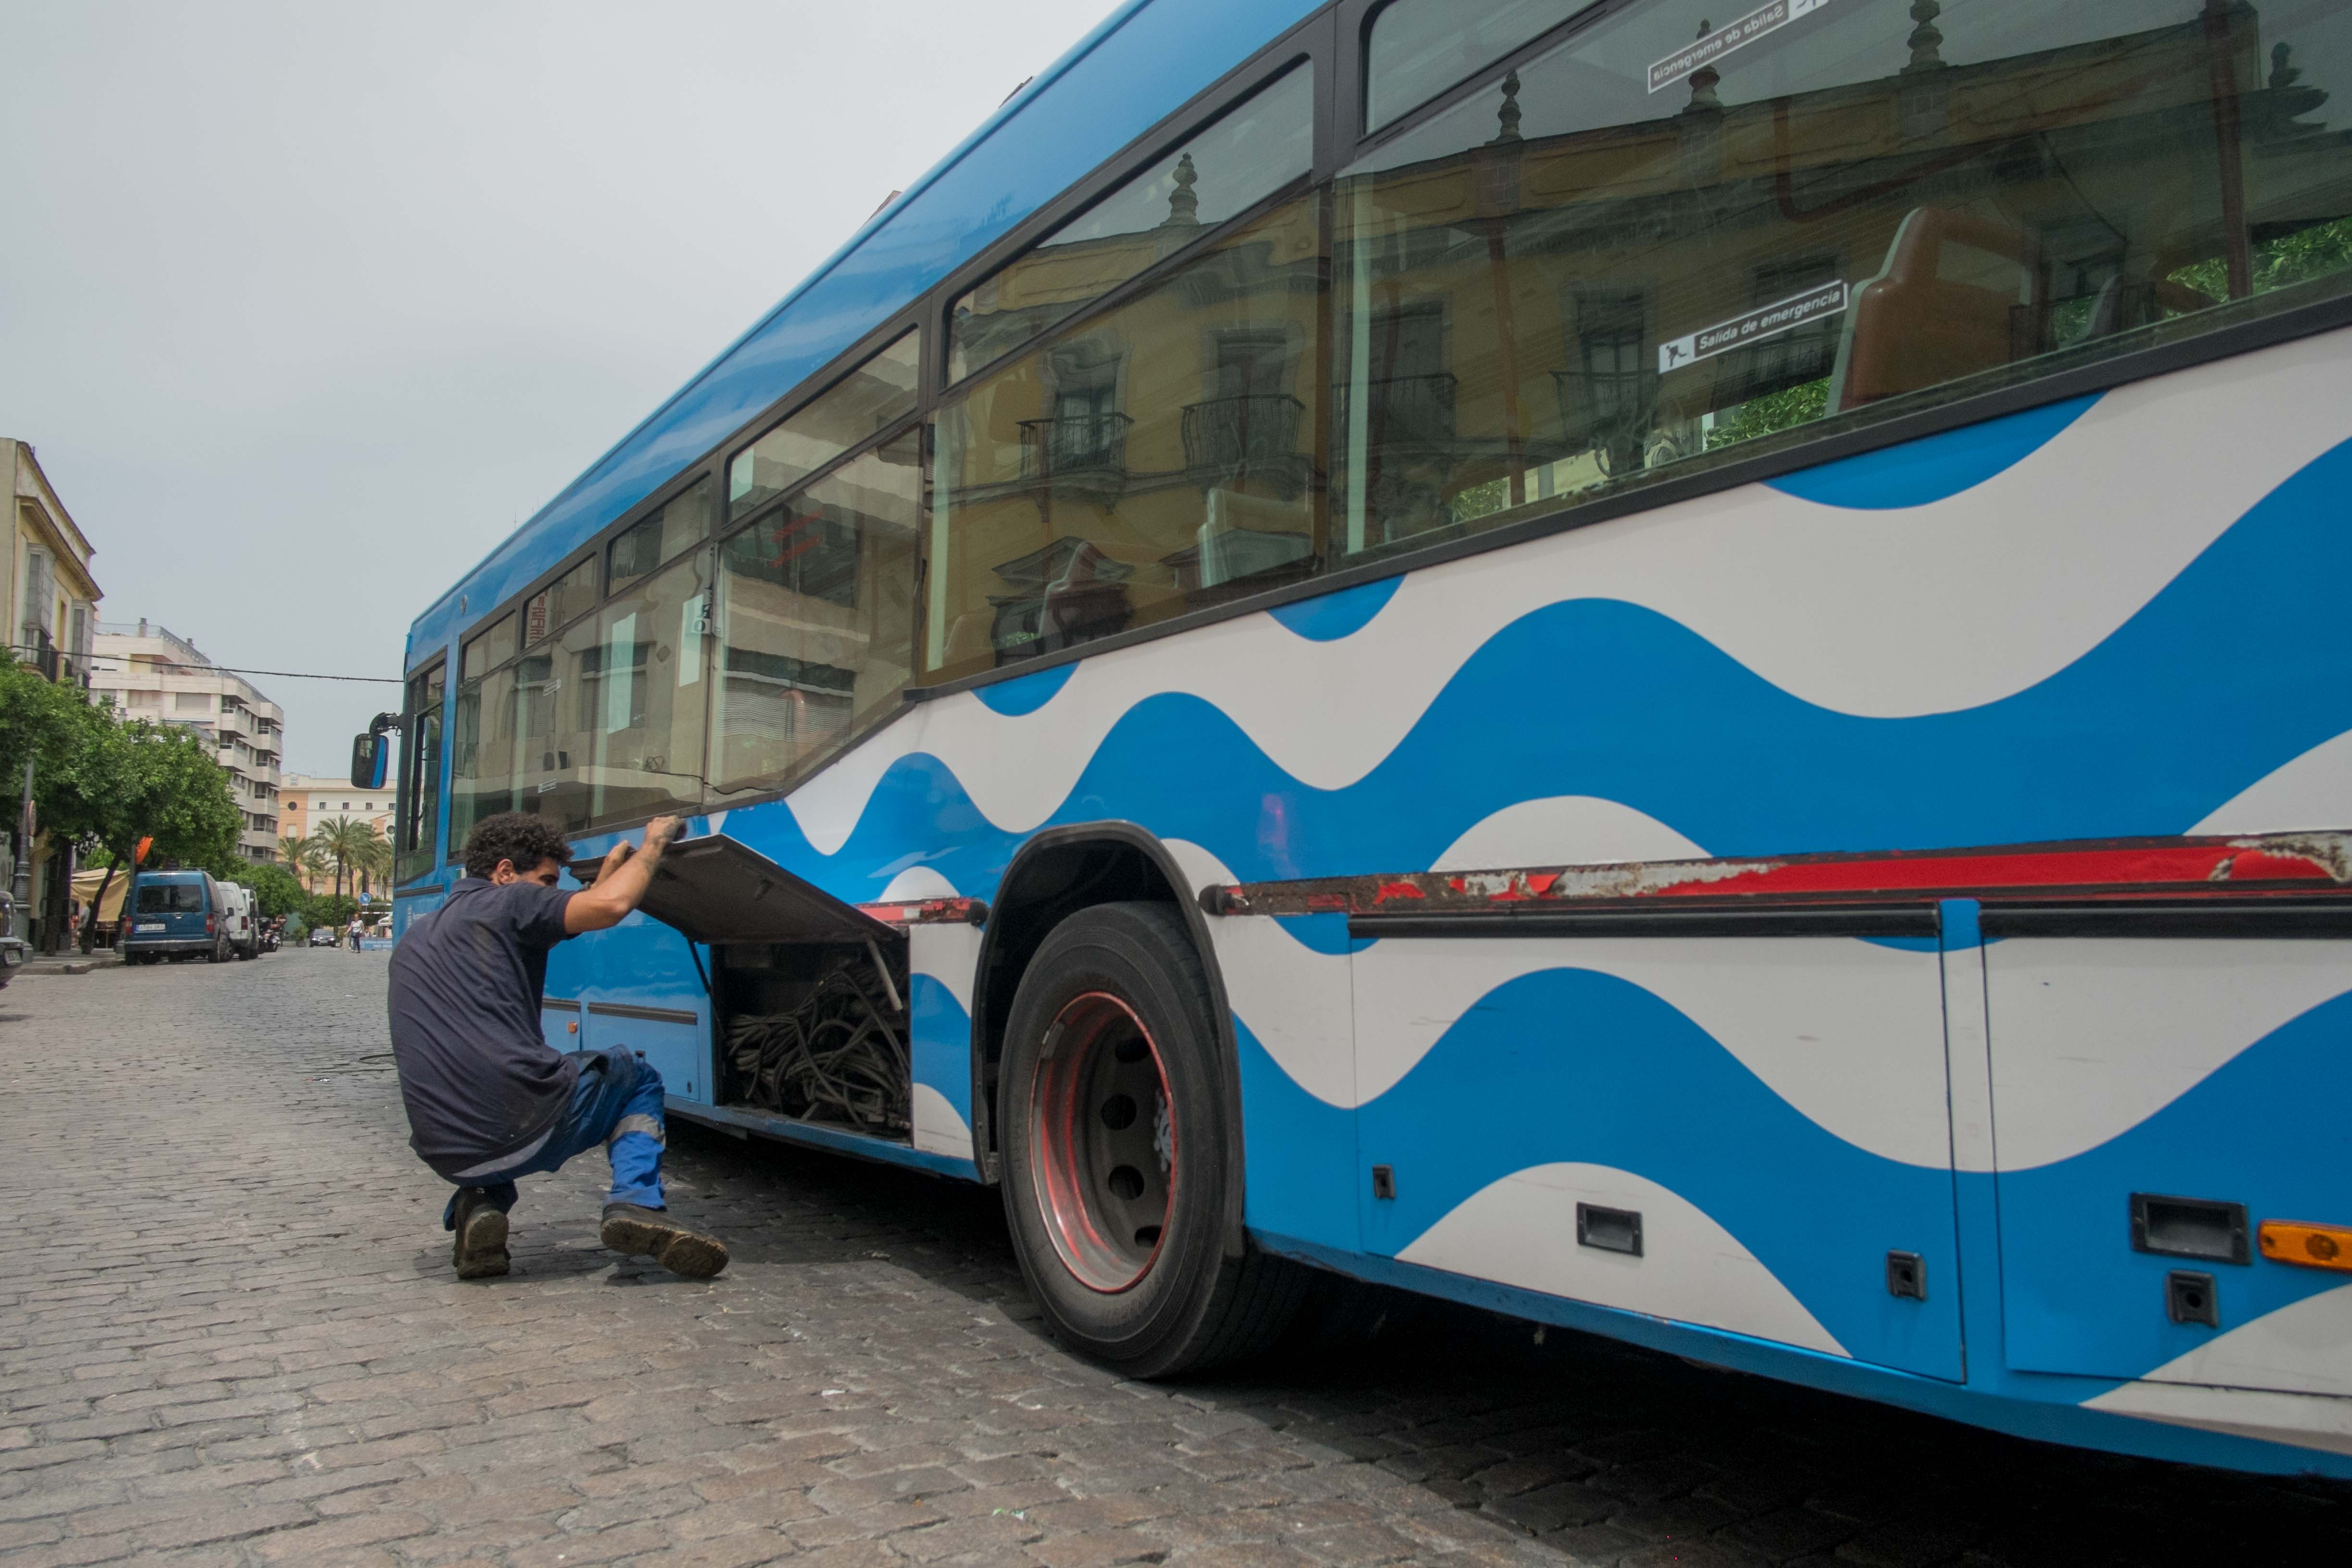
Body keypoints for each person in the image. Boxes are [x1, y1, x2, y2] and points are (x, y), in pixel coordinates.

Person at [386, 811, 726, 1281]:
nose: (550, 893)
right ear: (505, 872)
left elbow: (570, 916)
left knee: (490, 1094)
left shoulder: (423, 933)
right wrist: (654, 843)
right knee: (636, 1078)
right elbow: (610, 908)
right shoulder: (510, 902)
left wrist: (605, 876)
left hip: (443, 1145)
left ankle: (480, 1205)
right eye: (547, 881)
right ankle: (637, 1201)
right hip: (516, 1121)